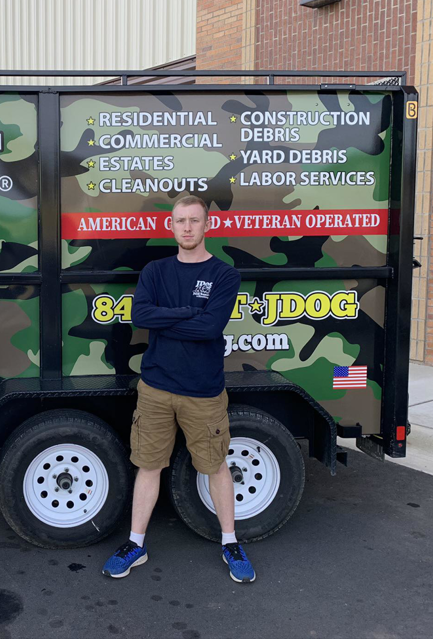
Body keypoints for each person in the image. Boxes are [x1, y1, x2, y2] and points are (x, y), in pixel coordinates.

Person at [102, 195, 256, 584]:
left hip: (203, 391)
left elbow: (209, 329)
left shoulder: (224, 274)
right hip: (155, 387)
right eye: (180, 221)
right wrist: (189, 313)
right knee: (148, 464)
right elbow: (140, 315)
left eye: (194, 221)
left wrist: (167, 319)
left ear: (207, 226)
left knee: (216, 466)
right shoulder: (155, 270)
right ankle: (136, 544)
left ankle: (230, 542)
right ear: (171, 226)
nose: (186, 228)